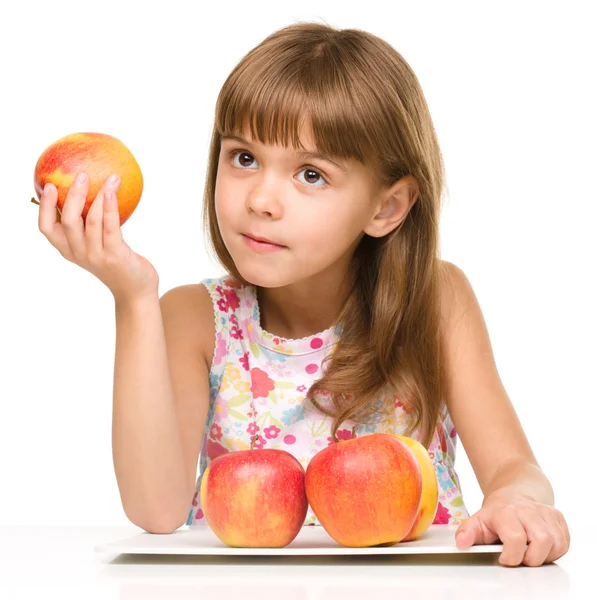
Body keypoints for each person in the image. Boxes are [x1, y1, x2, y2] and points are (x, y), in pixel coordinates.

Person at [37, 21, 570, 567]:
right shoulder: (195, 318)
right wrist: (133, 298)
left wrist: (517, 500)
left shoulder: (435, 302)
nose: (262, 199)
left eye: (311, 174)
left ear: (386, 208)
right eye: (244, 158)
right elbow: (156, 510)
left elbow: (514, 467)